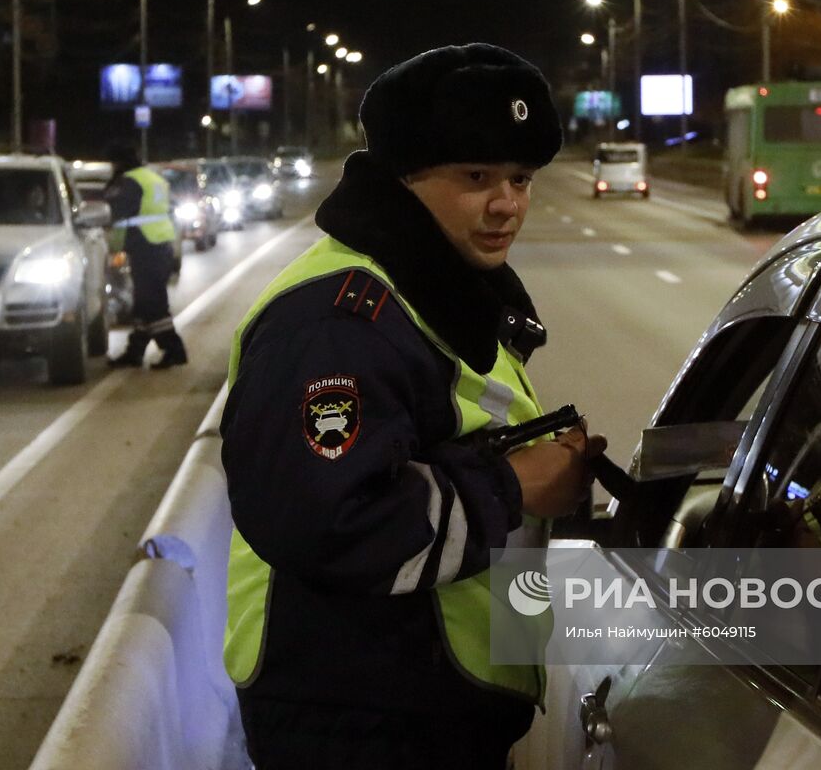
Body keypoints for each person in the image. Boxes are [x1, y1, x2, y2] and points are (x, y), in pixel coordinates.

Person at [220, 44, 607, 769]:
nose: (508, 204)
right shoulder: (340, 319)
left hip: (426, 703)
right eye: (475, 177)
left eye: (521, 178)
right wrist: (518, 485)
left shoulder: (444, 293)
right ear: (404, 177)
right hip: (358, 718)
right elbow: (330, 520)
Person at [103, 143, 187, 368]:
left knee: (152, 303)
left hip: (145, 244)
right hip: (161, 244)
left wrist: (112, 247)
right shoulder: (151, 177)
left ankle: (174, 348)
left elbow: (117, 214)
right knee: (144, 303)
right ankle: (135, 351)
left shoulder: (129, 182)